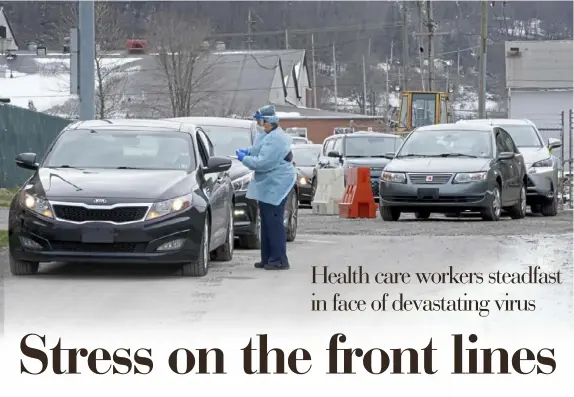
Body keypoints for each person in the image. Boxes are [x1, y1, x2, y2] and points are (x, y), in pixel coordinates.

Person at [235, 105, 296, 270]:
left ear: (269, 121)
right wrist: (247, 152)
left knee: (274, 221)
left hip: (278, 183)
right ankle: (268, 257)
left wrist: (244, 159)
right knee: (267, 221)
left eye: (261, 121)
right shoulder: (266, 135)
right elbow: (257, 150)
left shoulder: (277, 139)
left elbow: (263, 163)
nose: (260, 124)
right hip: (269, 183)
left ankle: (279, 259)